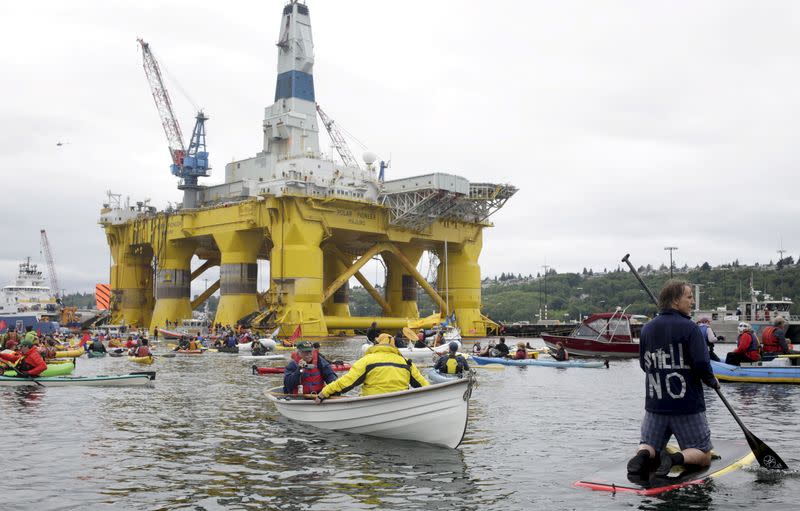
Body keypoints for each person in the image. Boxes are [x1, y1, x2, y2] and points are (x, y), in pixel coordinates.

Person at [627, 280, 719, 479]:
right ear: (676, 301)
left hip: (655, 405)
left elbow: (645, 365)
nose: (692, 301)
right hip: (687, 407)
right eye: (689, 297)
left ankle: (643, 454)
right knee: (703, 454)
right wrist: (712, 381)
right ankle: (674, 459)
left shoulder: (647, 329)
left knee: (650, 445)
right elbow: (702, 364)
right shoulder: (691, 328)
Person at [315, 333, 429, 402]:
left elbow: (347, 382)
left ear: (377, 344)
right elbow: (424, 385)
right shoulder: (406, 362)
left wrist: (324, 392)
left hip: (372, 401)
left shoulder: (367, 360)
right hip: (400, 402)